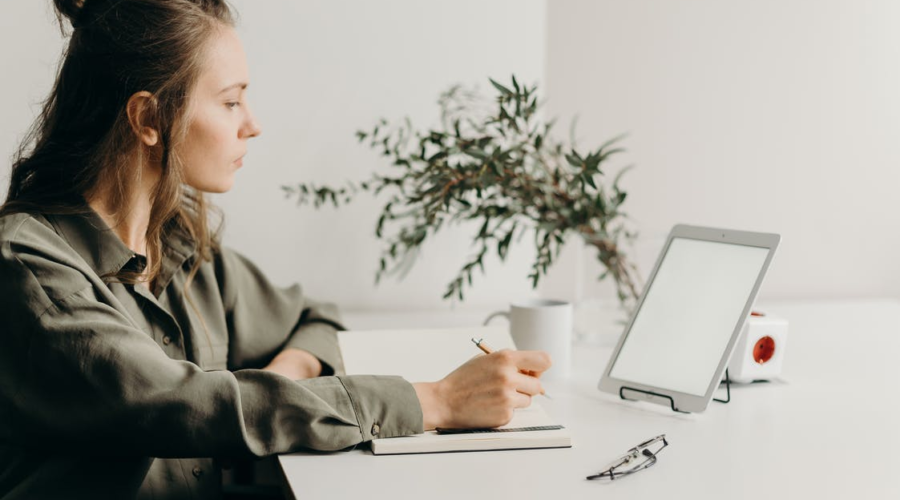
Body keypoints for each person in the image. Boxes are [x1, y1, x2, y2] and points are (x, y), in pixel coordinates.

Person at [0, 1, 552, 498]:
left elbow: (315, 320)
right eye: (231, 102)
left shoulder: (180, 248)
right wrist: (436, 402)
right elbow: (186, 404)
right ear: (148, 118)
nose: (254, 125)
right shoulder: (28, 271)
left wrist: (286, 374)